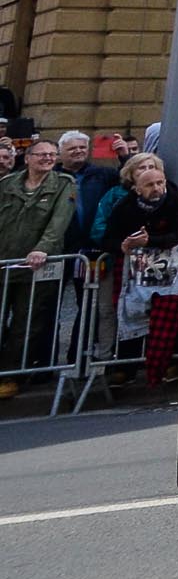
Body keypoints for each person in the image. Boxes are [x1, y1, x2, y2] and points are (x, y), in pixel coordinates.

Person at [102, 154, 178, 384]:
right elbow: (108, 238)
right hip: (136, 273)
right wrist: (122, 245)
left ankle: (169, 364)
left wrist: (151, 241)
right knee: (131, 313)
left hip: (172, 272)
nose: (156, 188)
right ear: (137, 189)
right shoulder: (125, 206)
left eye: (159, 183)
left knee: (169, 318)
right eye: (149, 185)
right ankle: (126, 367)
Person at [0, 137, 75, 394]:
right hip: (4, 262)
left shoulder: (64, 184)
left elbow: (59, 221)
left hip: (37, 266)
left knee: (27, 320)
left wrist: (42, 248)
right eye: (41, 154)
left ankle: (10, 375)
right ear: (27, 158)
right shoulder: (7, 184)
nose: (47, 158)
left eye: (52, 155)